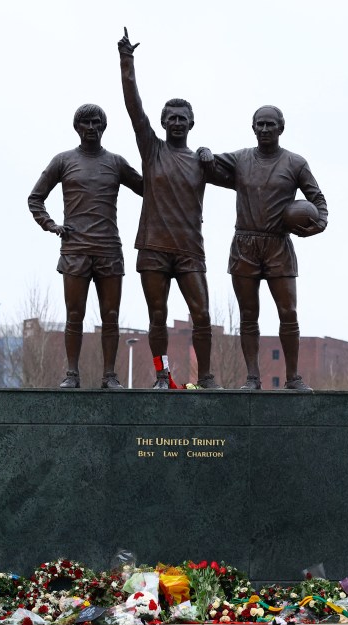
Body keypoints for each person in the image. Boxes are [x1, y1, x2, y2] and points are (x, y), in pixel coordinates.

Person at [117, 28, 229, 389]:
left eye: (183, 118)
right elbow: (134, 108)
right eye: (171, 117)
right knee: (157, 316)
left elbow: (244, 176)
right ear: (163, 123)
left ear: (191, 123)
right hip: (153, 247)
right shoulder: (152, 149)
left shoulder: (201, 161)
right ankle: (162, 374)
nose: (177, 122)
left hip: (189, 249)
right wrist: (126, 62)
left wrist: (212, 159)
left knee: (202, 315)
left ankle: (207, 376)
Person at [208, 106, 327, 391]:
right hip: (245, 245)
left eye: (269, 125)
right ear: (253, 128)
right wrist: (203, 155)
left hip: (278, 245)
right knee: (248, 315)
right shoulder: (240, 159)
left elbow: (318, 201)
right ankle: (252, 378)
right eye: (259, 124)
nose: (264, 129)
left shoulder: (295, 163)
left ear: (280, 128)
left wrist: (317, 225)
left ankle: (293, 378)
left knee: (288, 312)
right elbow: (210, 166)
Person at [28, 104, 144, 389]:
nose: (91, 127)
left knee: (111, 317)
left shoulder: (116, 162)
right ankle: (71, 374)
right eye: (85, 123)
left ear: (103, 127)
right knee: (74, 315)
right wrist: (51, 224)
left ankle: (109, 375)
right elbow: (35, 198)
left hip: (108, 249)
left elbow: (148, 190)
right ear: (77, 127)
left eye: (96, 122)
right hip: (75, 249)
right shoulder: (63, 161)